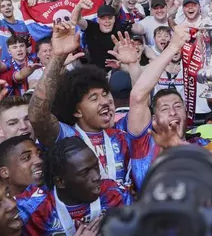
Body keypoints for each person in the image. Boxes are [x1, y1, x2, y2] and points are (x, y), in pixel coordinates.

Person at [27, 22, 134, 186]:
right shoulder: (65, 137)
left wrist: (133, 65)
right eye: (94, 98)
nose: (105, 101)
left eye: (105, 94)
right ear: (77, 111)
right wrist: (58, 57)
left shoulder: (121, 132)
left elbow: (141, 100)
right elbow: (37, 116)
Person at [17, 137, 128, 235]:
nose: (97, 177)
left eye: (96, 167)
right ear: (60, 181)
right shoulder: (34, 208)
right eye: (84, 173)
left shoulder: (113, 192)